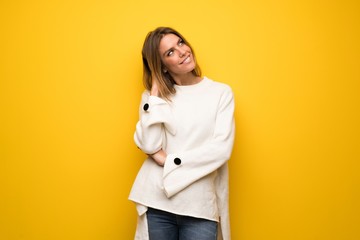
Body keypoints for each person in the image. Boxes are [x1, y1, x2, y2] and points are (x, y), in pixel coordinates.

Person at [129, 26, 235, 240]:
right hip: (156, 202)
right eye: (170, 52)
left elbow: (220, 150)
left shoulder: (220, 93)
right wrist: (156, 95)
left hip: (199, 207)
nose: (182, 51)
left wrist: (168, 161)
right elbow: (149, 144)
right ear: (162, 67)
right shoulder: (153, 99)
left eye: (180, 43)